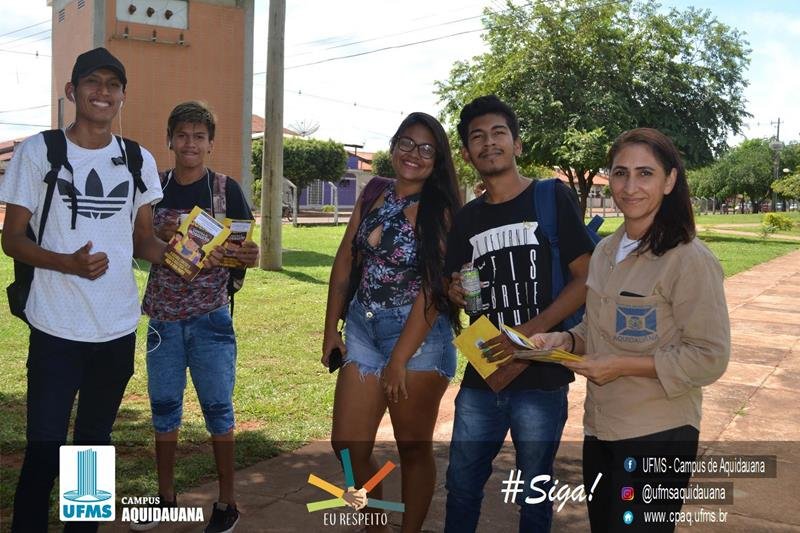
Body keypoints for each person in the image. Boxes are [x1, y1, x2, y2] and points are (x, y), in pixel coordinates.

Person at [531, 128, 730, 533]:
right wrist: (565, 339)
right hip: (601, 428)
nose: (630, 186)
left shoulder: (688, 259)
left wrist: (620, 365)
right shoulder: (605, 251)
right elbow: (595, 326)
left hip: (658, 433)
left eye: (645, 173)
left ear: (669, 181)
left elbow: (709, 356)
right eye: (620, 173)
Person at [0, 47, 165, 533]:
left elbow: (143, 241)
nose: (103, 92)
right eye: (93, 82)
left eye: (113, 85)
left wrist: (195, 256)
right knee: (45, 446)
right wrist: (66, 263)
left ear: (123, 95)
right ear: (73, 91)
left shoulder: (137, 159)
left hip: (116, 329)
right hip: (56, 326)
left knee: (92, 445)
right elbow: (12, 239)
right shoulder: (40, 152)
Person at [443, 95, 595, 532]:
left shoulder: (551, 196)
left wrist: (526, 334)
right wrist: (453, 290)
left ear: (517, 144)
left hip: (542, 374)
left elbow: (585, 278)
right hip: (485, 370)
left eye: (498, 133)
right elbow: (456, 282)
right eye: (477, 137)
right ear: (467, 153)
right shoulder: (466, 219)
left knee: (534, 492)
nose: (489, 143)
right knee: (461, 484)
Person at [321, 112, 462, 532]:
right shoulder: (374, 192)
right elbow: (345, 260)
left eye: (426, 149)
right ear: (394, 145)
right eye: (406, 143)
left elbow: (434, 289)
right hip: (362, 327)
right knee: (347, 446)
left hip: (419, 337)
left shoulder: (441, 209)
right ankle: (376, 525)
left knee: (412, 448)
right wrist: (331, 329)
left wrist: (399, 358)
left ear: (437, 159)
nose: (413, 154)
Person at [132, 101, 258, 533]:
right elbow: (136, 242)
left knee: (219, 410)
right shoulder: (154, 189)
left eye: (199, 136)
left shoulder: (225, 190)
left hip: (211, 320)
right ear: (169, 140)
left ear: (210, 144)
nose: (190, 143)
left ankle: (227, 504)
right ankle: (165, 499)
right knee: (164, 410)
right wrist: (158, 233)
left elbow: (245, 251)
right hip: (163, 320)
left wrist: (248, 255)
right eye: (182, 135)